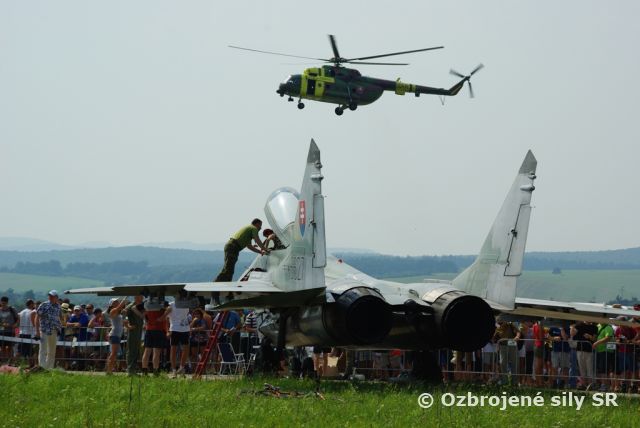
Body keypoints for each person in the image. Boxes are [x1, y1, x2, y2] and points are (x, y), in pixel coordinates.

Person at [214, 219, 270, 283]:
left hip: (231, 247)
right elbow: (257, 239)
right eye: (260, 225)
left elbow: (249, 246)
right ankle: (216, 284)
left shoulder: (249, 230)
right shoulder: (253, 228)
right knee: (228, 268)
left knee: (229, 268)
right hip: (233, 247)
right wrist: (265, 249)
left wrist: (260, 251)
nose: (260, 228)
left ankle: (225, 284)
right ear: (257, 224)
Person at [163, 297, 191, 377]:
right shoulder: (171, 304)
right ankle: (174, 370)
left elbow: (187, 315)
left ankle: (181, 367)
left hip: (185, 329)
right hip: (174, 329)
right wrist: (167, 331)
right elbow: (166, 319)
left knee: (186, 349)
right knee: (173, 350)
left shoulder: (186, 304)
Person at [35, 290, 63, 369]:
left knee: (52, 351)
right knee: (43, 350)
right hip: (44, 330)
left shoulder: (58, 306)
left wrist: (60, 325)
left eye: (52, 296)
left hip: (54, 330)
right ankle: (42, 368)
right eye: (49, 295)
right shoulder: (44, 305)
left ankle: (49, 368)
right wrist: (37, 331)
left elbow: (59, 318)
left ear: (56, 297)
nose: (50, 297)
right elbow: (37, 317)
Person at [142, 301, 166, 375]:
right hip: (158, 329)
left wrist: (146, 321)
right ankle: (155, 371)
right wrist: (162, 317)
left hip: (149, 329)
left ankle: (144, 371)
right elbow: (169, 309)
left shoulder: (147, 304)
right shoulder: (161, 303)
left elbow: (143, 313)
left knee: (147, 351)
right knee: (156, 352)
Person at [124, 294, 145, 375]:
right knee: (131, 350)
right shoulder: (131, 306)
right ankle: (130, 370)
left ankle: (133, 369)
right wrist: (128, 326)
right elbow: (124, 315)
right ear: (136, 297)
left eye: (142, 296)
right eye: (140, 296)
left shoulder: (141, 306)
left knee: (136, 351)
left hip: (139, 331)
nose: (142, 297)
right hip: (133, 332)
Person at [106, 298, 126, 374]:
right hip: (114, 334)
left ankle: (110, 370)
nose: (117, 302)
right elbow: (120, 306)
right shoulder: (113, 310)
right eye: (115, 302)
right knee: (113, 353)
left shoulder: (118, 312)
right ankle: (109, 370)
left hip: (117, 335)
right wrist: (125, 297)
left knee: (114, 353)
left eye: (117, 301)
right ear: (112, 304)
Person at [17, 299, 37, 365]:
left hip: (21, 333)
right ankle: (31, 364)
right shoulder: (32, 312)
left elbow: (18, 323)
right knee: (30, 351)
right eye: (33, 304)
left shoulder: (21, 312)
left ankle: (16, 363)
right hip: (29, 333)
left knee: (20, 350)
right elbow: (33, 324)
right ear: (31, 304)